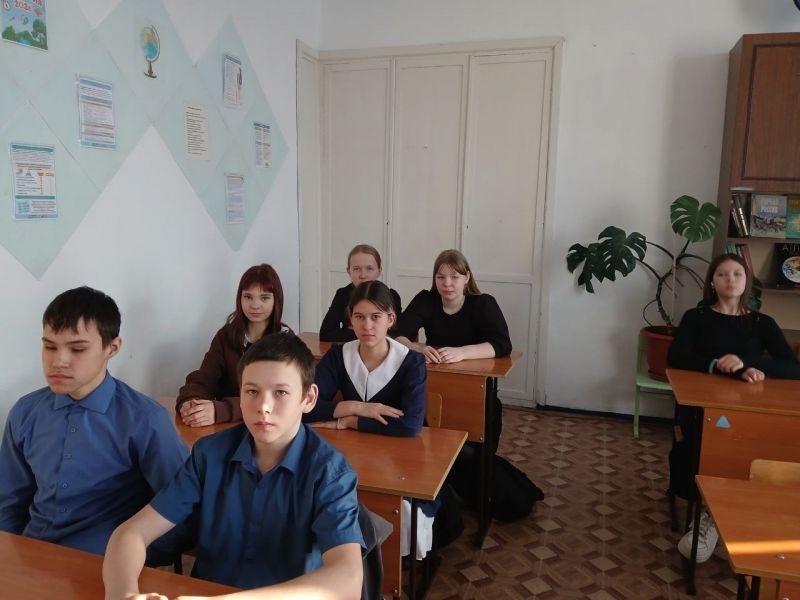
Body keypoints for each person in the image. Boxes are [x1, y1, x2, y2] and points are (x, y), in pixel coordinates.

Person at [103, 332, 364, 599]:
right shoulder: (210, 453)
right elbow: (131, 533)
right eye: (252, 391)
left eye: (281, 392)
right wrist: (124, 595)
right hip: (208, 591)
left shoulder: (329, 472)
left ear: (308, 398)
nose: (263, 406)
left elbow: (349, 579)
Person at [0, 286, 188, 558]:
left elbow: (182, 508)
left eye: (77, 349)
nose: (59, 361)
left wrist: (132, 556)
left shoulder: (145, 419)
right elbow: (8, 501)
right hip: (33, 554)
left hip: (103, 562)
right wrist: (11, 557)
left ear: (112, 347)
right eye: (49, 346)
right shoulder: (26, 412)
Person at [668, 253, 800, 563]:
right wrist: (717, 365)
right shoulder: (696, 317)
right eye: (723, 274)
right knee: (705, 446)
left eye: (737, 274)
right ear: (712, 283)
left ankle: (734, 518)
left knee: (762, 448)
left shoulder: (762, 322)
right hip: (702, 408)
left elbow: (793, 367)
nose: (731, 280)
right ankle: (707, 517)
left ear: (747, 282)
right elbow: (676, 357)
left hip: (750, 409)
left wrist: (749, 364)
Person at [395, 249, 511, 452]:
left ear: (466, 278)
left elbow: (502, 344)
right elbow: (398, 334)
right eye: (440, 277)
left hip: (472, 384)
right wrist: (417, 347)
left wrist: (462, 353)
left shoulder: (483, 303)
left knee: (482, 424)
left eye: (454, 277)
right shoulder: (426, 299)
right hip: (433, 381)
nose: (447, 283)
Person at [308, 280, 426, 437]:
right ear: (351, 319)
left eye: (375, 317)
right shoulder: (338, 355)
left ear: (390, 319)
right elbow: (305, 407)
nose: (367, 326)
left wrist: (350, 421)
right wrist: (358, 408)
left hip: (399, 446)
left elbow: (411, 425)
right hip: (352, 442)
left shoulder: (412, 362)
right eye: (359, 317)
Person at [176, 264, 286, 426]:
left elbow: (276, 400)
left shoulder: (285, 341)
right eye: (248, 297)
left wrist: (221, 410)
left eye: (264, 298)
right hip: (227, 426)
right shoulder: (226, 335)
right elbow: (205, 377)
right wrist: (191, 401)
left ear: (276, 300)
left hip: (266, 425)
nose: (255, 305)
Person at [320, 244, 402, 342]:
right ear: (349, 271)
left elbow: (396, 335)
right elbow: (326, 333)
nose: (363, 275)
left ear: (379, 271)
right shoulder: (342, 294)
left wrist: (352, 330)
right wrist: (373, 333)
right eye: (356, 269)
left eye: (369, 268)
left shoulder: (392, 296)